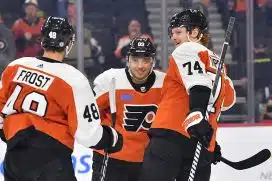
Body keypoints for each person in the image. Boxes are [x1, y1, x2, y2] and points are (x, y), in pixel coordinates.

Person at [0, 16, 123, 181]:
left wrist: (7, 133)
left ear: (42, 40)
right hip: (51, 161)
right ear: (68, 44)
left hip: (14, 157)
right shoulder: (72, 79)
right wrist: (110, 137)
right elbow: (87, 134)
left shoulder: (16, 66)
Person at [138, 9, 236, 181]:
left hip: (172, 135)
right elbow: (228, 101)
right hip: (201, 143)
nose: (173, 37)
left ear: (195, 32)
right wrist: (209, 138)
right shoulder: (218, 65)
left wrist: (197, 113)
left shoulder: (187, 49)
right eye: (172, 33)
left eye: (178, 32)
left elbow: (199, 84)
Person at [92, 38, 165, 181]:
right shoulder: (111, 79)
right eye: (135, 60)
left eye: (145, 60)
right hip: (111, 157)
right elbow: (88, 113)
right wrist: (99, 136)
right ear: (128, 60)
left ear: (153, 61)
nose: (140, 66)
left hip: (149, 159)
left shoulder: (165, 83)